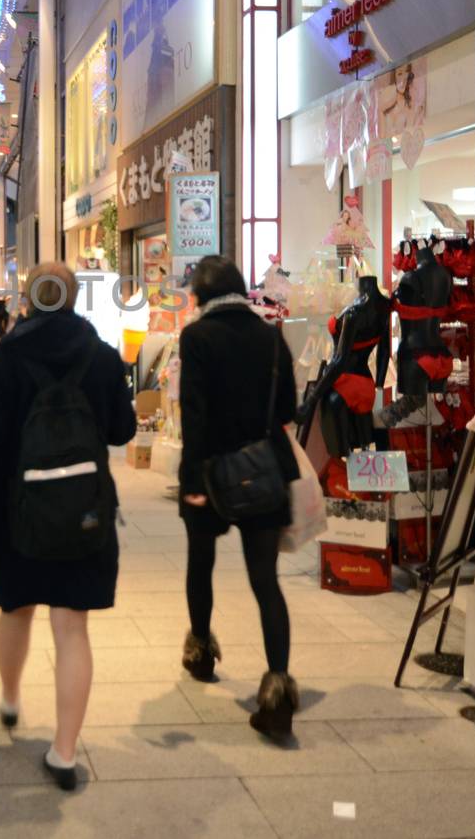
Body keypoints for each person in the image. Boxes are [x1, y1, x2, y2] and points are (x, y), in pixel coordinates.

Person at [0, 264, 136, 790]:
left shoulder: (5, 358)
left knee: (17, 609)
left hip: (13, 512)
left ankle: (9, 698)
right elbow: (122, 430)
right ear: (72, 299)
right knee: (73, 630)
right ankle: (65, 754)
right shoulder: (101, 356)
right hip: (84, 513)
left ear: (28, 299)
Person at [176, 255, 299, 744]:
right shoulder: (271, 337)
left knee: (200, 563)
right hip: (264, 470)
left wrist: (191, 479)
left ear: (203, 295)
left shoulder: (198, 337)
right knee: (265, 581)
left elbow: (194, 414)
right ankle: (276, 688)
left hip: (212, 471)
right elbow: (288, 407)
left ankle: (202, 651)